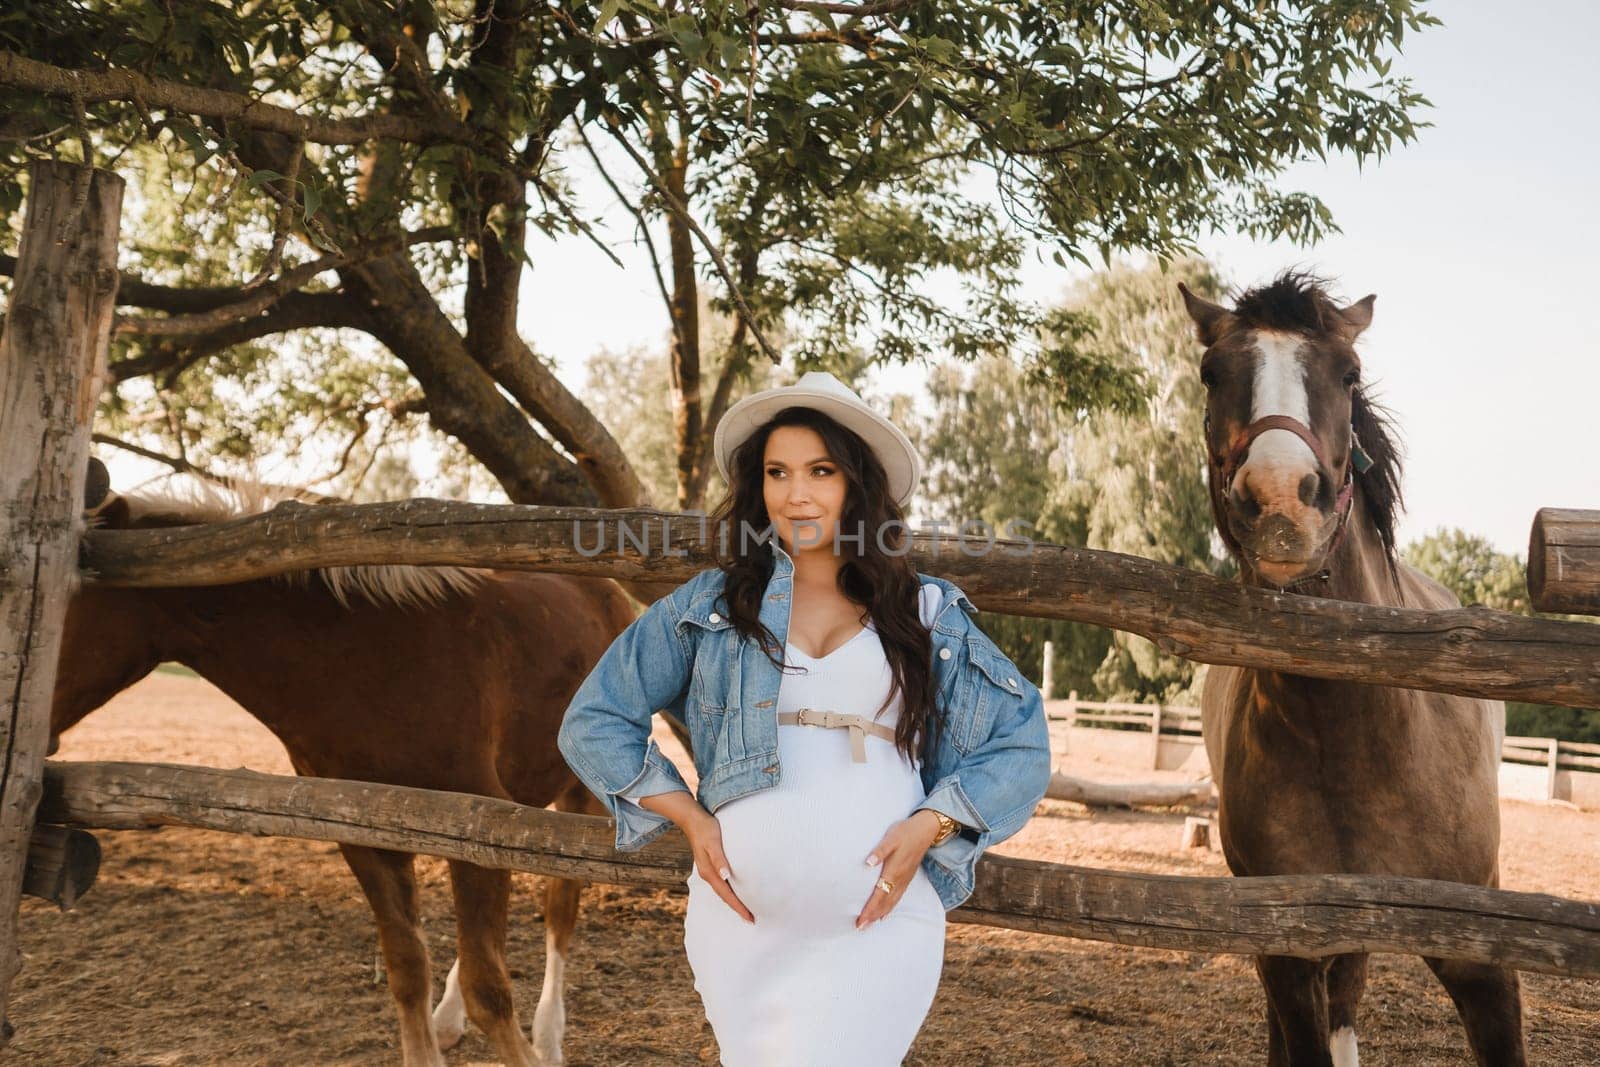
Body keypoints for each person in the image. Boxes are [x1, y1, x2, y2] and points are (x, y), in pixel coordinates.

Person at [558, 371, 1052, 1066]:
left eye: (820, 470)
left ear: (857, 483)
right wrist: (690, 817)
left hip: (881, 927)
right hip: (742, 934)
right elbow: (594, 719)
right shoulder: (714, 607)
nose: (797, 493)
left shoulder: (926, 612)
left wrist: (930, 824)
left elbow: (1023, 747)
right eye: (777, 472)